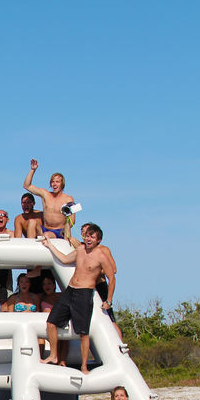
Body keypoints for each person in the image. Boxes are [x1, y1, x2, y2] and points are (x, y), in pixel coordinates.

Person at [41, 222, 112, 373]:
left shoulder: (101, 256)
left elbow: (112, 278)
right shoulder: (80, 249)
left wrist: (108, 301)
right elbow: (64, 259)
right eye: (87, 236)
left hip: (84, 293)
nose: (89, 239)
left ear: (98, 240)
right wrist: (50, 246)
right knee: (51, 322)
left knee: (83, 333)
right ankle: (53, 355)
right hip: (70, 290)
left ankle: (84, 366)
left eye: (92, 237)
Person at [65, 220, 123, 340]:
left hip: (100, 285)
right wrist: (67, 219)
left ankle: (120, 344)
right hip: (85, 288)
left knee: (109, 318)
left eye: (87, 231)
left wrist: (95, 270)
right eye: (83, 232)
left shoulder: (103, 250)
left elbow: (114, 269)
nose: (85, 234)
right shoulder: (82, 248)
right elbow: (67, 237)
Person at [24, 158, 78, 238]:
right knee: (32, 222)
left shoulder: (69, 199)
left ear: (62, 184)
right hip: (45, 229)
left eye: (57, 182)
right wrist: (32, 170)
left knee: (47, 235)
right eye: (53, 182)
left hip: (58, 231)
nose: (54, 184)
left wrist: (65, 231)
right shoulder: (45, 194)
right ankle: (30, 245)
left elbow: (73, 220)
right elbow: (27, 186)